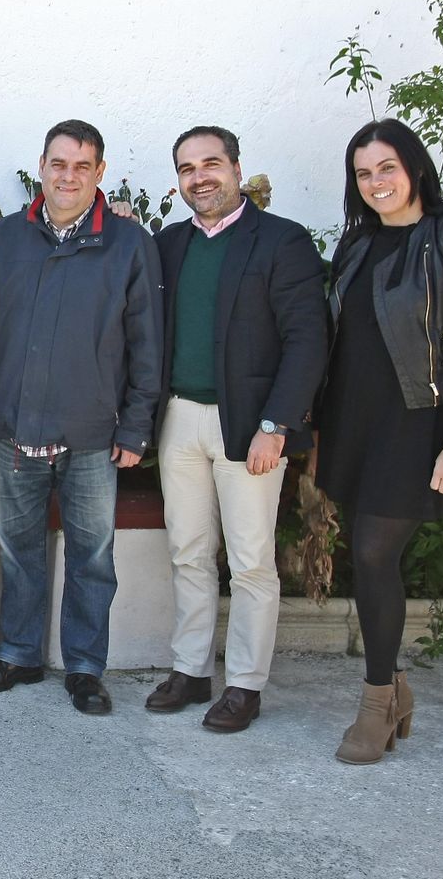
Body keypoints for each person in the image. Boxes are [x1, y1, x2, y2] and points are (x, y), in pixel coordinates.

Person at [0, 119, 162, 715]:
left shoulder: (128, 243)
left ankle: (84, 667)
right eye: (58, 164)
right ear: (41, 166)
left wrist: (136, 426)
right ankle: (20, 653)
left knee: (92, 556)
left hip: (94, 436)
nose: (68, 176)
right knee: (18, 551)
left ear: (99, 173)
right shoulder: (4, 239)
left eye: (82, 166)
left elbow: (149, 343)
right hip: (12, 430)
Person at [314, 118, 443, 764]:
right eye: (364, 173)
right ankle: (393, 684)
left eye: (387, 168)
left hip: (419, 424)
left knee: (372, 551)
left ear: (415, 167)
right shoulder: (359, 243)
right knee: (369, 557)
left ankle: (377, 702)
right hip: (355, 422)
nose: (376, 183)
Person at [148, 126, 327, 732]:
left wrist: (276, 424)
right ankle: (192, 668)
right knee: (188, 551)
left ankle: (245, 685)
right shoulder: (170, 244)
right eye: (187, 167)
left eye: (211, 163)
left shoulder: (282, 240)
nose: (199, 177)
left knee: (251, 562)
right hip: (178, 419)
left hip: (249, 425)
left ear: (236, 167)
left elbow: (307, 340)